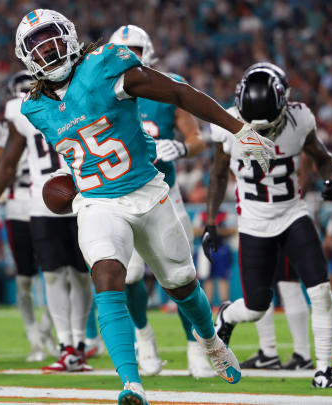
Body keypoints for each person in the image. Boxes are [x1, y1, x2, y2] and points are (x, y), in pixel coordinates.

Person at [0, 9, 276, 403]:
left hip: (148, 191)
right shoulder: (33, 108)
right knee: (107, 277)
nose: (48, 49)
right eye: (36, 45)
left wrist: (237, 128)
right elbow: (81, 153)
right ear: (25, 58)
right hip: (98, 203)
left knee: (182, 285)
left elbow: (177, 92)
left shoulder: (105, 64)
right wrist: (70, 184)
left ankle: (210, 341)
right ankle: (130, 382)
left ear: (69, 36)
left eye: (52, 37)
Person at [206, 62, 332, 388]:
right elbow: (216, 175)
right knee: (256, 307)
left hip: (292, 214)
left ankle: (323, 370)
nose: (262, 134)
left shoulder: (299, 119)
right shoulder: (227, 123)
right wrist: (211, 221)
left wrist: (331, 178)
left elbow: (323, 158)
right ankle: (227, 315)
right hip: (254, 223)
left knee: (320, 291)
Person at [109, 24, 209, 378]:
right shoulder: (100, 89)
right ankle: (144, 338)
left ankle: (195, 346)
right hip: (121, 196)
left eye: (135, 48)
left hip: (166, 192)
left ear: (148, 50)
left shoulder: (166, 85)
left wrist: (181, 147)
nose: (129, 57)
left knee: (181, 273)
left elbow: (197, 137)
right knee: (131, 274)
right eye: (123, 50)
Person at [0, 69, 94, 373]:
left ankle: (80, 342)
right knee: (54, 275)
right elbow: (8, 162)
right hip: (43, 202)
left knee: (83, 275)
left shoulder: (79, 96)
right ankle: (65, 343)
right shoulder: (21, 110)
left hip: (85, 197)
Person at [0, 75, 58, 362]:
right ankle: (35, 338)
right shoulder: (5, 126)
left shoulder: (55, 112)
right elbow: (2, 167)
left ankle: (47, 332)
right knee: (25, 279)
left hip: (50, 203)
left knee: (58, 274)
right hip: (19, 205)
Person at [239, 250, 314, 371]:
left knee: (287, 282)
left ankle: (302, 354)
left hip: (279, 232)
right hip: (258, 232)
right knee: (260, 281)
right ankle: (269, 353)